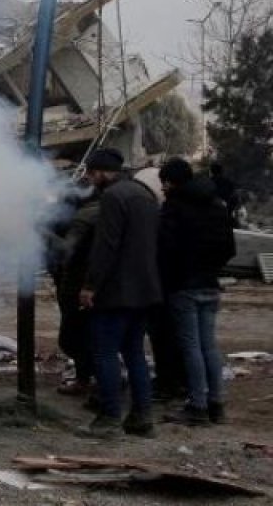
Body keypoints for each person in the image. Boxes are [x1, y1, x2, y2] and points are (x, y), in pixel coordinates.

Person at [79, 148, 162, 438]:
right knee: (135, 353)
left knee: (105, 352)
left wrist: (90, 285)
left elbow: (106, 246)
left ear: (102, 172)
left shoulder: (113, 197)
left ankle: (109, 418)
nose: (90, 179)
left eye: (91, 173)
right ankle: (142, 418)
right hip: (145, 288)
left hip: (117, 290)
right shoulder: (144, 194)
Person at [157, 159, 236, 426]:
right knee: (209, 346)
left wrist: (172, 274)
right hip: (210, 283)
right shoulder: (217, 205)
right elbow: (229, 247)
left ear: (171, 182)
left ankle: (197, 406)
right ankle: (217, 404)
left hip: (183, 286)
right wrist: (210, 268)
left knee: (190, 347)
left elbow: (165, 248)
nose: (163, 187)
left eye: (164, 182)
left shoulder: (174, 206)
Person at [55, 189, 100, 399]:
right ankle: (92, 379)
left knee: (72, 337)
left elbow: (68, 251)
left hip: (79, 286)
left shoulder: (83, 219)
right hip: (89, 285)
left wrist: (42, 235)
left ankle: (93, 382)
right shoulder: (102, 214)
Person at [210, 162, 240, 227]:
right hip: (224, 207)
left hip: (215, 207)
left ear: (211, 171)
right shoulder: (228, 182)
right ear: (221, 171)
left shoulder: (208, 181)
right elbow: (234, 196)